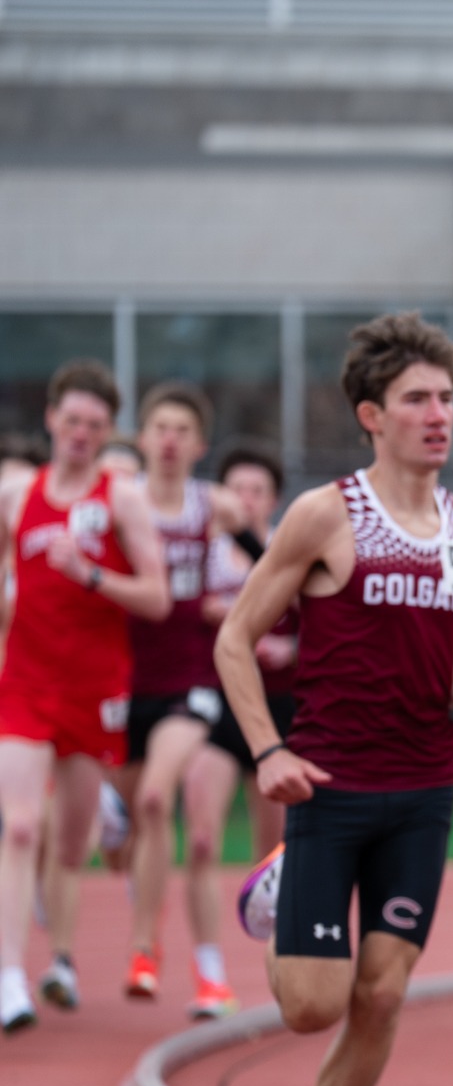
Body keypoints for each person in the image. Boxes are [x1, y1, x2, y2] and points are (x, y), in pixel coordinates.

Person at [220, 312, 453, 1086]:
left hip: (423, 789)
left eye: (447, 398)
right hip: (330, 784)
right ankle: (285, 883)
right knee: (312, 1007)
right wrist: (268, 751)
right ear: (372, 414)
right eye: (416, 399)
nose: (438, 415)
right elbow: (235, 638)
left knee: (385, 992)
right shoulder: (325, 514)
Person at [0, 361, 169, 1033]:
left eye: (94, 424)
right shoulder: (17, 494)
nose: (80, 433)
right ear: (51, 419)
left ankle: (62, 960)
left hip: (95, 687)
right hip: (25, 682)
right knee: (19, 826)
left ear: (106, 431)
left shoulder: (121, 499)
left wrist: (91, 573)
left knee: (71, 845)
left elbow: (156, 597)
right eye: (71, 420)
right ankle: (10, 977)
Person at [115, 382, 251, 1015]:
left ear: (199, 445)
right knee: (131, 830)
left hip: (190, 682)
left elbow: (272, 557)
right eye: (160, 428)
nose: (169, 440)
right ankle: (149, 928)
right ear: (142, 438)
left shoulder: (213, 505)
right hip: (123, 685)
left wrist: (246, 604)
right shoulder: (119, 500)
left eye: (182, 431)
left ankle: (150, 951)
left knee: (158, 802)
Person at [204, 441, 298, 864]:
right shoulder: (205, 553)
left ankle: (272, 909)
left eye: (257, 491)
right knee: (202, 840)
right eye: (236, 489)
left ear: (274, 500)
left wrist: (289, 647)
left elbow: (320, 619)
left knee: (273, 848)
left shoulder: (290, 550)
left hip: (277, 704)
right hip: (217, 702)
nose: (245, 500)